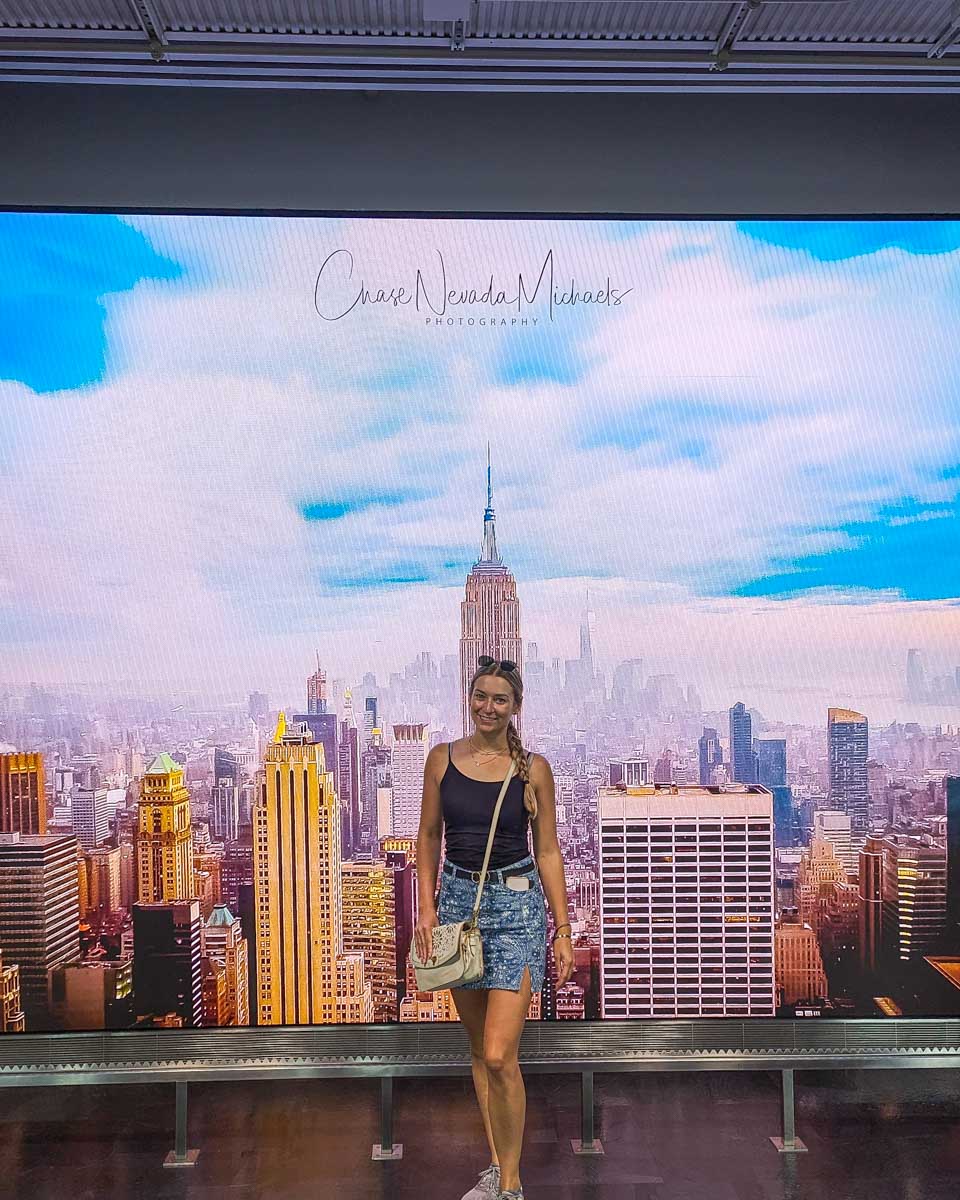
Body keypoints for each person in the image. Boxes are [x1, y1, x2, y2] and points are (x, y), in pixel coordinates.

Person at [414, 655, 575, 1200]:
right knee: (480, 1052)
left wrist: (563, 927)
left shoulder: (533, 769)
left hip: (517, 906)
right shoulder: (441, 760)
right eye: (480, 695)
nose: (488, 706)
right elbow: (429, 838)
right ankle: (498, 1166)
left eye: (499, 699)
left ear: (515, 707)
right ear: (470, 698)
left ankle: (510, 1185)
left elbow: (548, 850)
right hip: (457, 905)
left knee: (501, 1052)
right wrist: (427, 907)